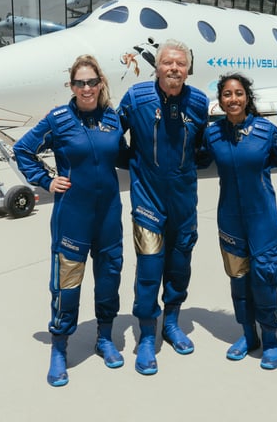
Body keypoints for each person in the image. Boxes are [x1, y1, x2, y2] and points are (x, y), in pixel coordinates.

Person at [13, 54, 128, 387]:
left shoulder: (112, 118)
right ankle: (60, 348)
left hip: (108, 215)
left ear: (101, 83)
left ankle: (104, 338)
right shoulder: (58, 118)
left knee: (109, 278)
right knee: (66, 284)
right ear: (72, 86)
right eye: (80, 83)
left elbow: (120, 154)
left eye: (92, 81)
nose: (87, 88)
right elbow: (23, 149)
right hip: (72, 217)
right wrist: (46, 180)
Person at [117, 39, 209, 375]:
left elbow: (204, 148)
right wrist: (136, 165)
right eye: (168, 63)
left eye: (180, 64)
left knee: (179, 266)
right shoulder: (136, 98)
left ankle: (172, 322)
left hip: (184, 202)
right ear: (157, 67)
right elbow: (114, 137)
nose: (174, 69)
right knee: (150, 268)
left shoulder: (199, 101)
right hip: (148, 200)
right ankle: (146, 334)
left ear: (187, 69)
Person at [198, 73, 277, 370]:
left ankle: (271, 339)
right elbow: (192, 160)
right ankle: (249, 335)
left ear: (247, 97)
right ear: (220, 100)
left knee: (265, 277)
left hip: (262, 218)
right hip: (230, 219)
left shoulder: (266, 131)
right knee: (238, 280)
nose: (233, 99)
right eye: (226, 94)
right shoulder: (212, 135)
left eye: (238, 93)